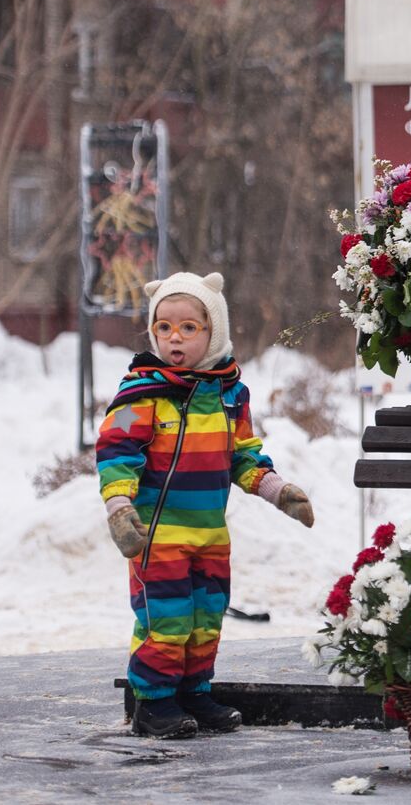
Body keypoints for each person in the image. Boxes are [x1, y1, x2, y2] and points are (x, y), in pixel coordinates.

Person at [97, 271, 314, 739]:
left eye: (188, 327)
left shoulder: (230, 393)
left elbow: (244, 455)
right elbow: (117, 450)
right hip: (158, 535)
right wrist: (119, 505)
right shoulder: (144, 392)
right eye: (164, 328)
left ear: (213, 331)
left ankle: (195, 692)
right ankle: (153, 703)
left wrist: (278, 491)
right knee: (167, 620)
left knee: (206, 617)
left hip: (210, 533)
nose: (174, 337)